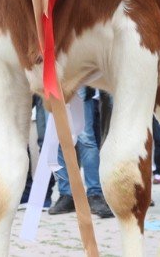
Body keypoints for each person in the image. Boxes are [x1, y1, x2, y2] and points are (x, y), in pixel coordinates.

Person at [48, 87, 113, 218]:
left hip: (78, 79)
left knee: (85, 139)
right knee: (58, 139)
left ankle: (95, 193)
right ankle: (67, 194)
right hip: (52, 80)